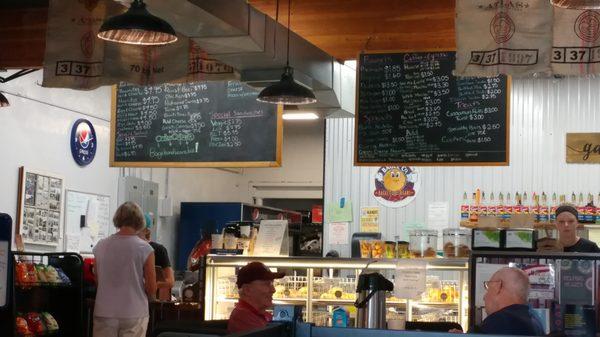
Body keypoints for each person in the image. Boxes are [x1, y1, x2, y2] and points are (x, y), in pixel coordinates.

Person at [93, 202, 156, 337]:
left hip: (104, 310)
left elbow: (98, 280)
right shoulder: (145, 248)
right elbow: (151, 287)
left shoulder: (100, 246)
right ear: (140, 221)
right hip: (134, 312)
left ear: (117, 219)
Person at [477, 267, 544, 335]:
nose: (484, 297)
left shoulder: (499, 321)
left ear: (498, 287)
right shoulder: (535, 320)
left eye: (488, 287)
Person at [227, 261, 285, 333]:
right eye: (266, 284)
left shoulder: (255, 315)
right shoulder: (244, 318)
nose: (273, 290)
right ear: (247, 290)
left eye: (272, 283)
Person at [140, 212, 174, 301]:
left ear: (147, 230)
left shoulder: (158, 250)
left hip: (152, 299)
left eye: (138, 228)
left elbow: (170, 281)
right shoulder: (129, 248)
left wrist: (152, 284)